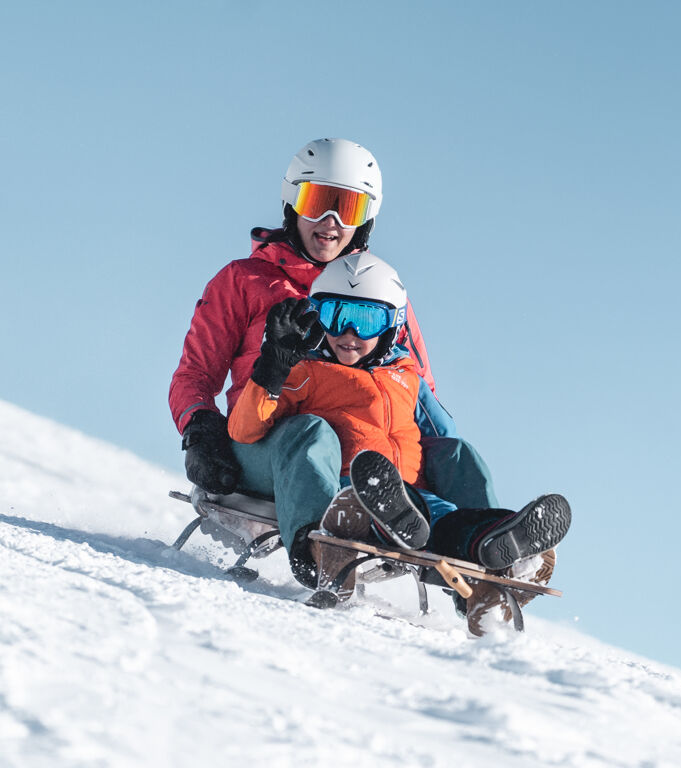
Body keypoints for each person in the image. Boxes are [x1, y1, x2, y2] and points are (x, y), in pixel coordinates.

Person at [169, 138, 497, 579]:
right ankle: (319, 547)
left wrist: (437, 454)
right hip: (269, 439)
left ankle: (484, 548)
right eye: (318, 202)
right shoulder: (244, 281)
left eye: (348, 208)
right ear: (292, 203)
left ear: (366, 219)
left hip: (368, 454)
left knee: (455, 452)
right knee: (310, 432)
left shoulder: (381, 295)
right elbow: (195, 372)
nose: (331, 221)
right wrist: (199, 428)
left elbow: (417, 387)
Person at [227, 253, 571, 635]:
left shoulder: (406, 376)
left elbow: (446, 434)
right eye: (334, 316)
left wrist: (449, 467)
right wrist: (273, 363)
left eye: (367, 320)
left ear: (392, 325)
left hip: (411, 497)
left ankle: (495, 548)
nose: (349, 333)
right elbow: (246, 430)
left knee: (450, 495)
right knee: (372, 504)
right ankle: (322, 549)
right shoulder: (305, 370)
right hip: (348, 494)